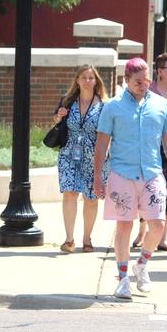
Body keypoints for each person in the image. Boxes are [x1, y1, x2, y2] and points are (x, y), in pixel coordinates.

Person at [93, 58, 167, 300]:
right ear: (126, 80)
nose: (143, 85)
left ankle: (142, 264)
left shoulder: (161, 105)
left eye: (146, 81)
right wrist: (97, 177)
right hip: (121, 173)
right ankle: (123, 279)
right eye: (137, 82)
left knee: (158, 225)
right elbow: (101, 144)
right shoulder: (113, 107)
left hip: (152, 173)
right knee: (124, 226)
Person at [55, 65, 109, 253]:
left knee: (91, 198)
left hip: (94, 155)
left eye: (90, 77)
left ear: (96, 81)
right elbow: (57, 122)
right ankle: (69, 239)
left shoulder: (104, 105)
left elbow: (109, 131)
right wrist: (59, 116)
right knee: (69, 192)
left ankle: (87, 238)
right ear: (77, 80)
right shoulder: (68, 101)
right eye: (83, 77)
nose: (87, 81)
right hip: (69, 152)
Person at [136, 53, 167, 251]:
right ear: (159, 71)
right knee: (146, 189)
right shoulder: (149, 92)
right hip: (151, 147)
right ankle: (142, 233)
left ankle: (162, 238)